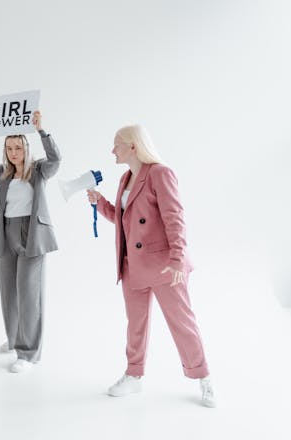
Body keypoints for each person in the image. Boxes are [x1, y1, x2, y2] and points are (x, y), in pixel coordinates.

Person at [87, 124, 216, 407]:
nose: (113, 150)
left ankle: (204, 378)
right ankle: (134, 376)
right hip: (132, 265)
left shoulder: (160, 173)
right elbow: (125, 222)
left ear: (133, 145)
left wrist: (177, 259)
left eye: (117, 144)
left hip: (164, 265)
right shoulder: (125, 178)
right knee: (135, 325)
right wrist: (101, 204)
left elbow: (175, 218)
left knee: (182, 323)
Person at [0, 111, 62, 373]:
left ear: (26, 147)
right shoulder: (4, 174)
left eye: (18, 147)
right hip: (7, 232)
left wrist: (42, 130)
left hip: (32, 234)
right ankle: (14, 339)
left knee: (29, 293)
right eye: (9, 148)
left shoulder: (40, 170)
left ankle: (28, 353)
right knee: (8, 290)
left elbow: (57, 159)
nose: (13, 152)